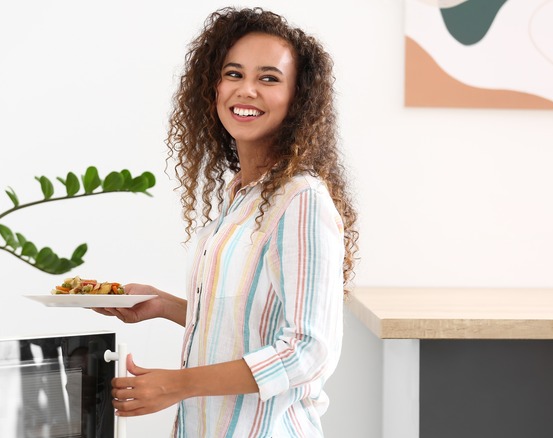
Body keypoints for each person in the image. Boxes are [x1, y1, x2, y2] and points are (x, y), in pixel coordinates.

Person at [93, 6, 358, 437]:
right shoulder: (242, 195)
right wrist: (164, 304)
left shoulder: (301, 199)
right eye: (233, 74)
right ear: (212, 87)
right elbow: (250, 323)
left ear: (298, 99)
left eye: (269, 78)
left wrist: (177, 384)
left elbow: (307, 350)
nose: (246, 90)